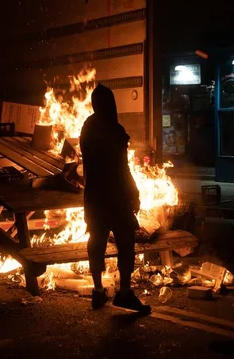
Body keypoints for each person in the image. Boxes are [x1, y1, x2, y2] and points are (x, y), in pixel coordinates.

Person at [80, 84, 151, 313]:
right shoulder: (114, 129)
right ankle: (124, 293)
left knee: (96, 244)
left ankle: (98, 290)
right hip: (116, 198)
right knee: (126, 244)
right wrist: (134, 193)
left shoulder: (87, 128)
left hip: (95, 198)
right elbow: (123, 168)